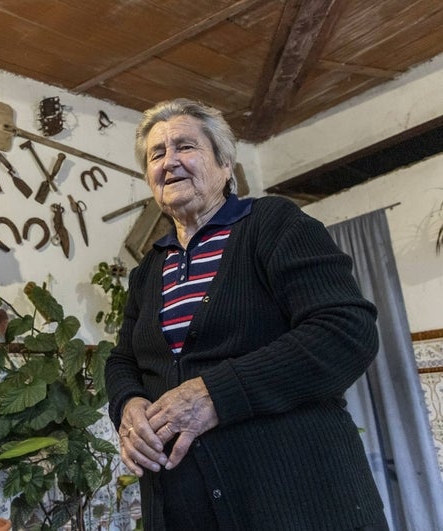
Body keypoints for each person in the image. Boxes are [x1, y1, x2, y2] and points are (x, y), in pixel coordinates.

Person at [104, 98, 388, 530]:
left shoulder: (273, 224)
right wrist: (129, 406)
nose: (169, 162)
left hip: (299, 504)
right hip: (184, 510)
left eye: (185, 147)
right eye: (157, 154)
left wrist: (215, 394)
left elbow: (345, 331)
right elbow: (123, 360)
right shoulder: (148, 270)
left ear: (225, 164)